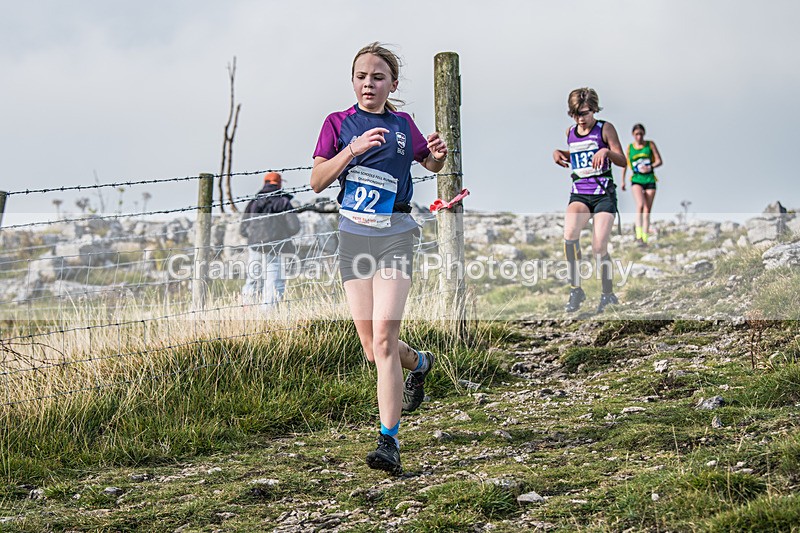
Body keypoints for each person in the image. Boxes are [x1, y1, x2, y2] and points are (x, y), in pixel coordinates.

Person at [310, 42, 447, 475]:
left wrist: (438, 158)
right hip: (353, 241)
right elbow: (316, 181)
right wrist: (352, 150)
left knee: (385, 341)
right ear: (353, 81)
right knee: (372, 350)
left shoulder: (404, 124)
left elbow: (430, 163)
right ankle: (421, 363)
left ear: (393, 84)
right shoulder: (337, 123)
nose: (369, 83)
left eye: (378, 77)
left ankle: (389, 442)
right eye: (361, 76)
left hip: (395, 236)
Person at [552, 88, 627, 313]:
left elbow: (622, 160)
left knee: (598, 247)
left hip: (603, 194)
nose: (581, 119)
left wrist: (606, 153)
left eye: (584, 113)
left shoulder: (605, 129)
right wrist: (560, 153)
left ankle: (607, 294)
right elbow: (577, 153)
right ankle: (576, 289)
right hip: (580, 193)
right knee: (569, 236)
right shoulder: (571, 132)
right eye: (576, 115)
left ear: (593, 109)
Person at [240, 172, 301, 309]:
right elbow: (294, 227)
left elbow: (243, 229)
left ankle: (247, 310)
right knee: (273, 283)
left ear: (265, 183)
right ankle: (268, 315)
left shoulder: (254, 203)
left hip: (255, 247)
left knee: (253, 279)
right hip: (277, 248)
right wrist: (282, 234)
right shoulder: (283, 202)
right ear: (279, 184)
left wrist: (254, 236)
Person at [621, 123, 663, 246]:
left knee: (647, 209)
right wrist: (623, 180)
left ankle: (644, 237)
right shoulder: (630, 148)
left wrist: (649, 167)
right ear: (633, 135)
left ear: (644, 134)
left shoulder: (650, 145)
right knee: (640, 205)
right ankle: (638, 234)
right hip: (636, 180)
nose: (639, 137)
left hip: (650, 179)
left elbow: (659, 161)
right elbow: (624, 164)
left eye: (640, 134)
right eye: (636, 134)